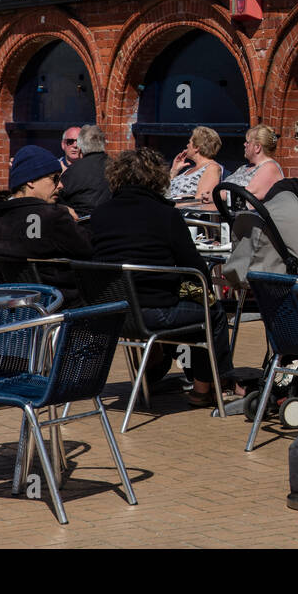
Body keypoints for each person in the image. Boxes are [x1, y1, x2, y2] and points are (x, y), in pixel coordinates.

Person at [90, 148, 235, 407]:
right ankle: (209, 388)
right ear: (156, 178)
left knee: (188, 303)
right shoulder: (165, 215)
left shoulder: (100, 214)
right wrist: (199, 291)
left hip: (112, 313)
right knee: (210, 310)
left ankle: (155, 368)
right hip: (153, 312)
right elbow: (196, 267)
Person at [0, 144, 92, 302]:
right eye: (55, 178)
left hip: (16, 307)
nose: (61, 185)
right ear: (31, 181)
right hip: (62, 308)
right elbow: (90, 248)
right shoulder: (52, 217)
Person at [219, 125, 284, 204]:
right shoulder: (245, 167)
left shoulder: (270, 167)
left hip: (250, 216)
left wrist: (217, 195)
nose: (244, 144)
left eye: (247, 142)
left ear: (257, 147)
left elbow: (247, 195)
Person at [57, 124, 110, 217]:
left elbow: (56, 199)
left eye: (77, 142)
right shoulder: (116, 166)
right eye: (70, 141)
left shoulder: (73, 171)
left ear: (81, 146)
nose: (74, 145)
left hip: (82, 223)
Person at [168, 126, 223, 207]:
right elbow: (166, 191)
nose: (187, 145)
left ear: (197, 147)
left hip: (182, 214)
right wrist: (174, 170)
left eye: (189, 142)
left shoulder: (212, 167)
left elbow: (201, 199)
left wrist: (171, 206)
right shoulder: (189, 170)